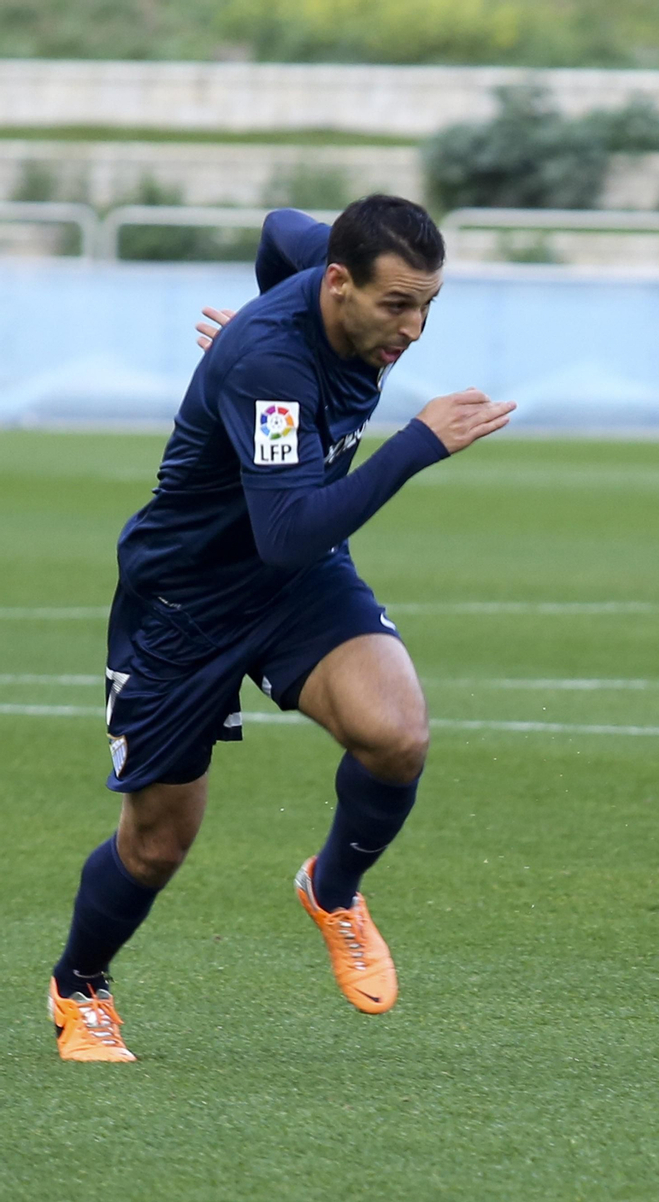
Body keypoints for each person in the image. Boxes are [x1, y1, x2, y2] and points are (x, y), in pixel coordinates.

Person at [48, 196, 515, 1062]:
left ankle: (331, 889)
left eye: (428, 306)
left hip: (296, 588)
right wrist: (410, 439)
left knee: (397, 733)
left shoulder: (316, 273)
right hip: (184, 605)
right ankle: (79, 986)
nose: (413, 329)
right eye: (397, 306)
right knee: (157, 844)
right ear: (338, 283)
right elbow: (287, 529)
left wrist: (262, 331)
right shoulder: (271, 366)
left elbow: (275, 225)